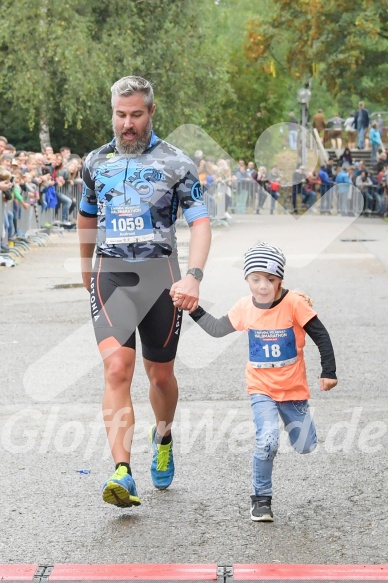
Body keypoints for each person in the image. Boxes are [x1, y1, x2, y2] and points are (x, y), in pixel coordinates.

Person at [77, 75, 211, 508]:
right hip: (111, 274)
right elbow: (86, 217)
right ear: (112, 112)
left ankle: (164, 435)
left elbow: (201, 222)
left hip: (162, 277)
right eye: (120, 115)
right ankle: (122, 471)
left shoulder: (177, 162)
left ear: (151, 112)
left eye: (136, 114)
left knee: (161, 375)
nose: (127, 124)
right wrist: (85, 269)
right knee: (117, 368)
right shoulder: (95, 162)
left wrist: (193, 275)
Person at [175, 242, 337, 522]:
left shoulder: (294, 304)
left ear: (280, 280)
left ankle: (293, 427)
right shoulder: (244, 307)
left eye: (270, 280)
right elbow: (216, 329)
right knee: (267, 441)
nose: (263, 286)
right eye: (255, 279)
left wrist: (329, 372)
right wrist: (194, 309)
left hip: (293, 390)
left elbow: (320, 335)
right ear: (247, 279)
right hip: (260, 388)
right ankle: (261, 499)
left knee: (305, 445)